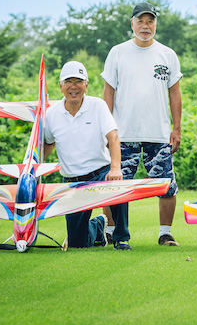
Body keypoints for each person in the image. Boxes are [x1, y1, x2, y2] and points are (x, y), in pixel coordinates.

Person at [101, 1, 183, 247]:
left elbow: (175, 93)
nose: (145, 26)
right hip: (123, 133)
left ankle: (165, 233)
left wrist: (176, 128)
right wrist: (107, 129)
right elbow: (108, 92)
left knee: (166, 185)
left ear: (155, 23)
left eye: (150, 21)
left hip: (158, 133)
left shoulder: (167, 54)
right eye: (141, 21)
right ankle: (111, 230)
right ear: (132, 23)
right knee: (116, 185)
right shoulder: (117, 52)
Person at [43, 61, 131, 249]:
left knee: (118, 184)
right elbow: (48, 143)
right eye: (68, 81)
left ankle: (121, 238)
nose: (73, 86)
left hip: (100, 173)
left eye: (79, 81)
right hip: (72, 181)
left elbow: (113, 137)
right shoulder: (51, 114)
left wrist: (115, 168)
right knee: (77, 243)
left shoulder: (98, 106)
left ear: (86, 85)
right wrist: (33, 167)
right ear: (60, 86)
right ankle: (98, 226)